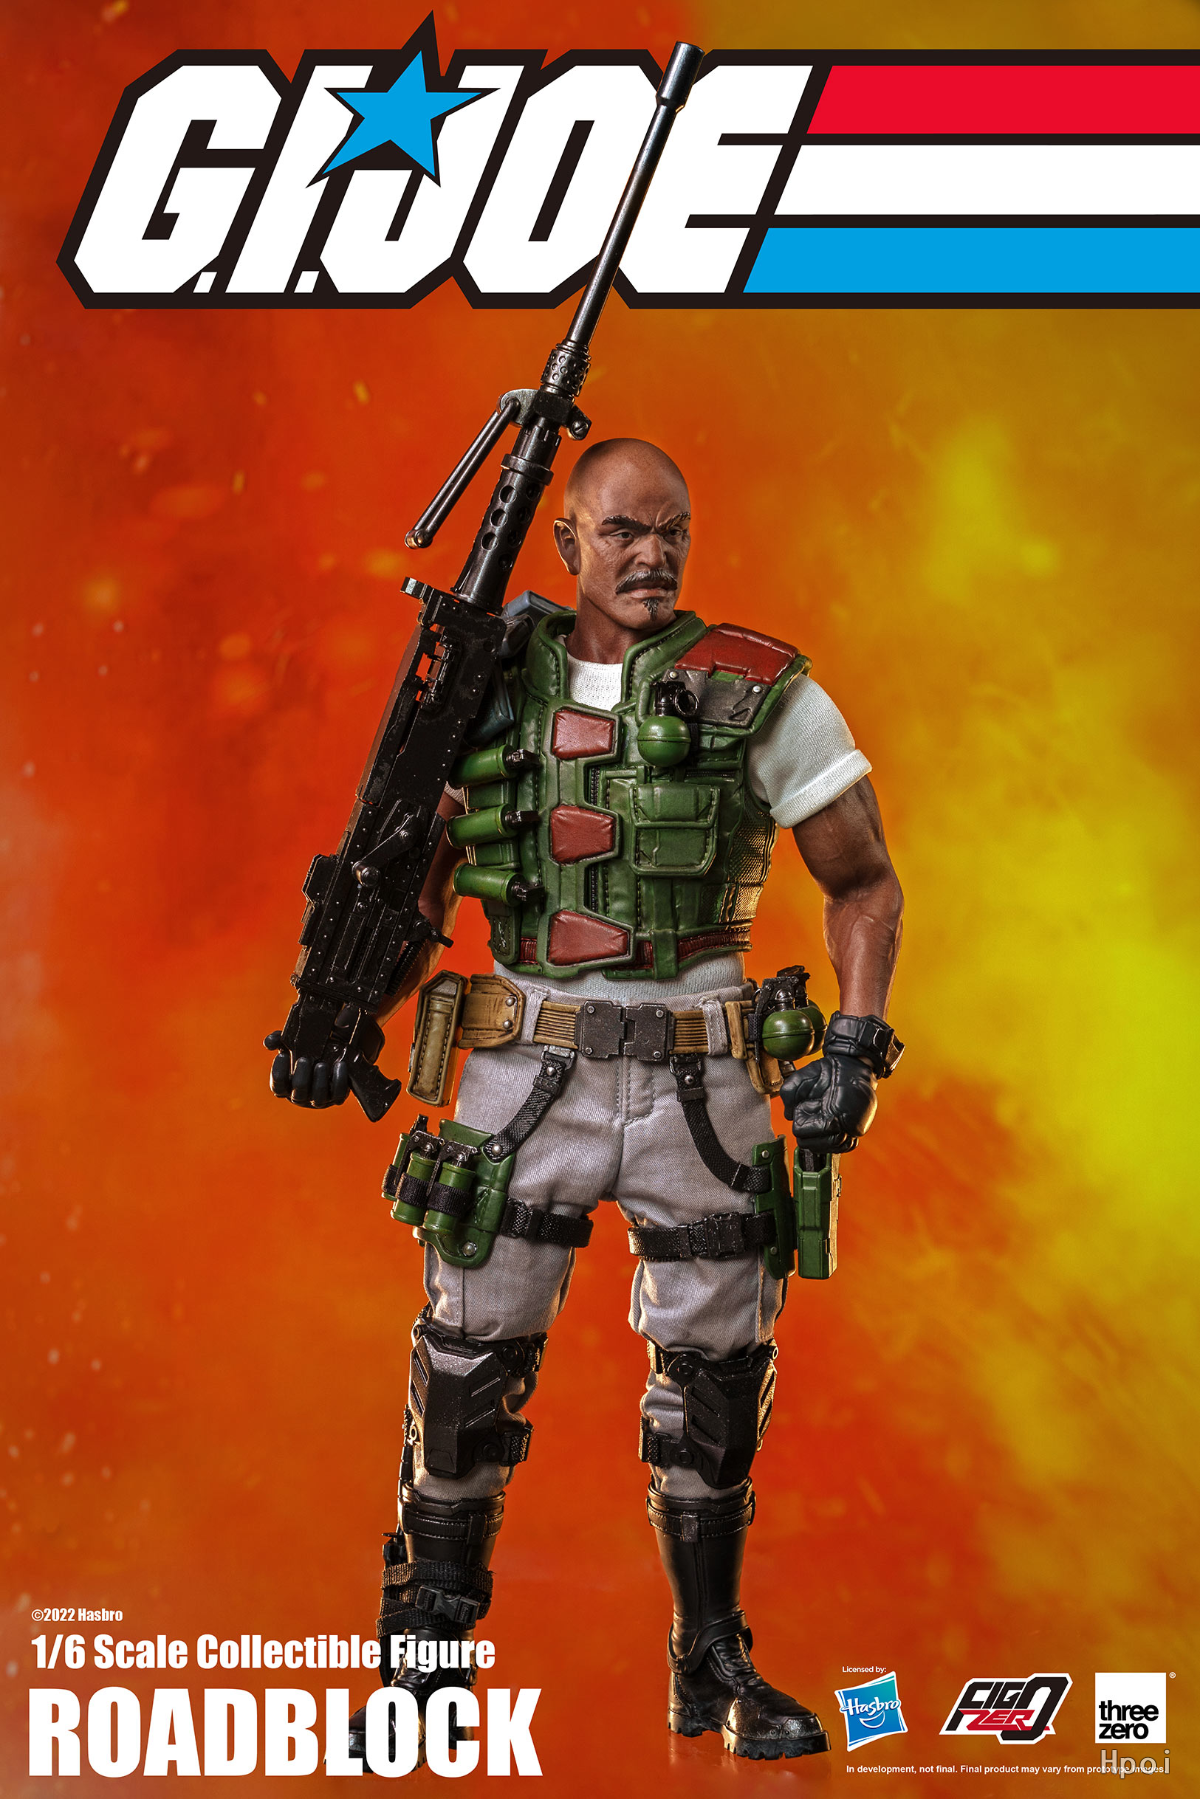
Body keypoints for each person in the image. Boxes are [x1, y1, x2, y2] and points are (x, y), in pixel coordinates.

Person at [348, 437, 904, 1762]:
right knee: (465, 1361)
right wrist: (346, 1011)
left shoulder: (757, 690)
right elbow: (413, 877)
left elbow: (863, 878)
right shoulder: (482, 689)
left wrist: (856, 1038)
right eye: (623, 533)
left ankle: (711, 1658)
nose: (652, 556)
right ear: (568, 544)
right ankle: (428, 1652)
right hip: (520, 1061)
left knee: (716, 1381)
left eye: (673, 532)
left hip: (702, 1076)